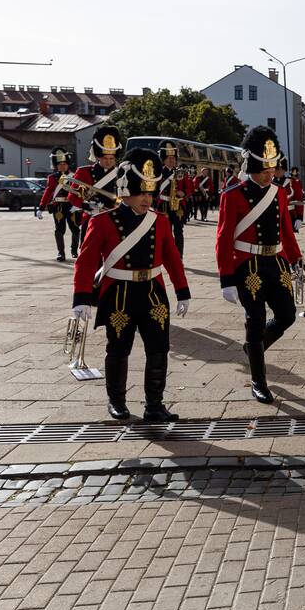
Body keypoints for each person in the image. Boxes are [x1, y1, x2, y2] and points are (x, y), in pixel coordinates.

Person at [72, 148, 190, 422]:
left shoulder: (159, 221)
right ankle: (117, 402)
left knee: (159, 348)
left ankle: (154, 405)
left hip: (152, 292)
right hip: (119, 294)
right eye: (142, 194)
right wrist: (80, 296)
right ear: (125, 191)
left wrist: (182, 290)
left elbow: (173, 258)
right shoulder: (102, 221)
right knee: (118, 348)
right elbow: (86, 261)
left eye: (151, 193)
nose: (148, 199)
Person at [216, 126, 302, 405]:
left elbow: (286, 231)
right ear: (252, 166)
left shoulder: (277, 193)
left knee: (287, 315)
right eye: (265, 170)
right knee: (254, 320)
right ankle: (259, 380)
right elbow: (224, 238)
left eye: (272, 170)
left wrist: (296, 258)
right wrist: (226, 278)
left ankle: (255, 348)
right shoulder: (233, 195)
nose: (270, 174)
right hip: (247, 265)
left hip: (275, 262)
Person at [68, 126, 121, 242]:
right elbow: (73, 197)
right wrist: (87, 206)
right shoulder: (84, 172)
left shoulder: (121, 174)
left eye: (112, 158)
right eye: (105, 158)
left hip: (114, 219)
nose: (108, 162)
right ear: (97, 156)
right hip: (91, 218)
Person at [35, 147, 81, 261]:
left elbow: (80, 191)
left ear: (68, 164)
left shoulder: (75, 176)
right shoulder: (52, 178)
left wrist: (78, 204)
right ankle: (61, 253)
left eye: (64, 164)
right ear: (56, 165)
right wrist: (41, 207)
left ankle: (74, 250)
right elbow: (48, 192)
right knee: (59, 230)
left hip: (72, 206)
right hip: (58, 207)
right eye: (60, 164)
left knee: (75, 229)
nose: (62, 166)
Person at [154, 140, 189, 256]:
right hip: (163, 204)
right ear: (163, 159)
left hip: (177, 205)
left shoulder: (181, 172)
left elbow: (189, 187)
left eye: (173, 158)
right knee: (164, 232)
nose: (172, 160)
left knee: (179, 231)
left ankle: (179, 255)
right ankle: (164, 254)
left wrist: (183, 193)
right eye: (169, 158)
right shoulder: (157, 173)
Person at [288, 167, 305, 233]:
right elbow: (299, 200)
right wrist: (300, 217)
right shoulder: (296, 183)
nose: (295, 177)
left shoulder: (297, 183)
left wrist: (299, 217)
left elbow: (299, 201)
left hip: (291, 213)